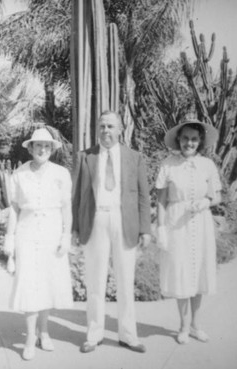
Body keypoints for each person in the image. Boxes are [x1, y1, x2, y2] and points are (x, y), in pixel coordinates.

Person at [72, 110, 152, 354]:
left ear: (120, 129)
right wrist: (75, 227)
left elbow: (143, 195)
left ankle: (128, 335)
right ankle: (94, 335)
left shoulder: (134, 157)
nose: (106, 131)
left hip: (123, 221)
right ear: (98, 129)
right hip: (96, 221)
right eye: (102, 126)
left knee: (126, 281)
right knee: (95, 281)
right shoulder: (86, 157)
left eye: (111, 126)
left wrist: (145, 229)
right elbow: (77, 196)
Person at [3, 127, 73, 360]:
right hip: (27, 234)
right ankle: (30, 338)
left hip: (52, 234)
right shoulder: (20, 175)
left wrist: (66, 236)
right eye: (38, 145)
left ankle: (44, 331)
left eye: (46, 146)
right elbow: (14, 208)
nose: (42, 149)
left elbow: (66, 208)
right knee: (31, 285)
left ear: (51, 149)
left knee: (48, 284)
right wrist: (9, 238)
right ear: (31, 148)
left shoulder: (61, 173)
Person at [155, 119, 221, 345]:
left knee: (198, 271)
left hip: (201, 222)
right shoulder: (168, 164)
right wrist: (161, 228)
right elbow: (161, 201)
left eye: (194, 139)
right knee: (182, 272)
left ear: (200, 141)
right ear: (178, 139)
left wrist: (206, 202)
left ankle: (195, 325)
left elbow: (217, 195)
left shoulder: (207, 165)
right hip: (177, 223)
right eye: (185, 138)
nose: (189, 143)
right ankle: (183, 326)